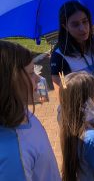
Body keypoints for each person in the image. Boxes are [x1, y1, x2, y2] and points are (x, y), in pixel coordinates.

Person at [50, 0, 94, 144]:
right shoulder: (60, 56)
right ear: (65, 26)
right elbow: (62, 94)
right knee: (84, 159)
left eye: (85, 22)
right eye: (75, 24)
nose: (83, 28)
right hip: (79, 119)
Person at [0, 40, 61, 181]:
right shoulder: (13, 153)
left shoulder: (24, 114)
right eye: (31, 73)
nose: (39, 78)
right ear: (9, 83)